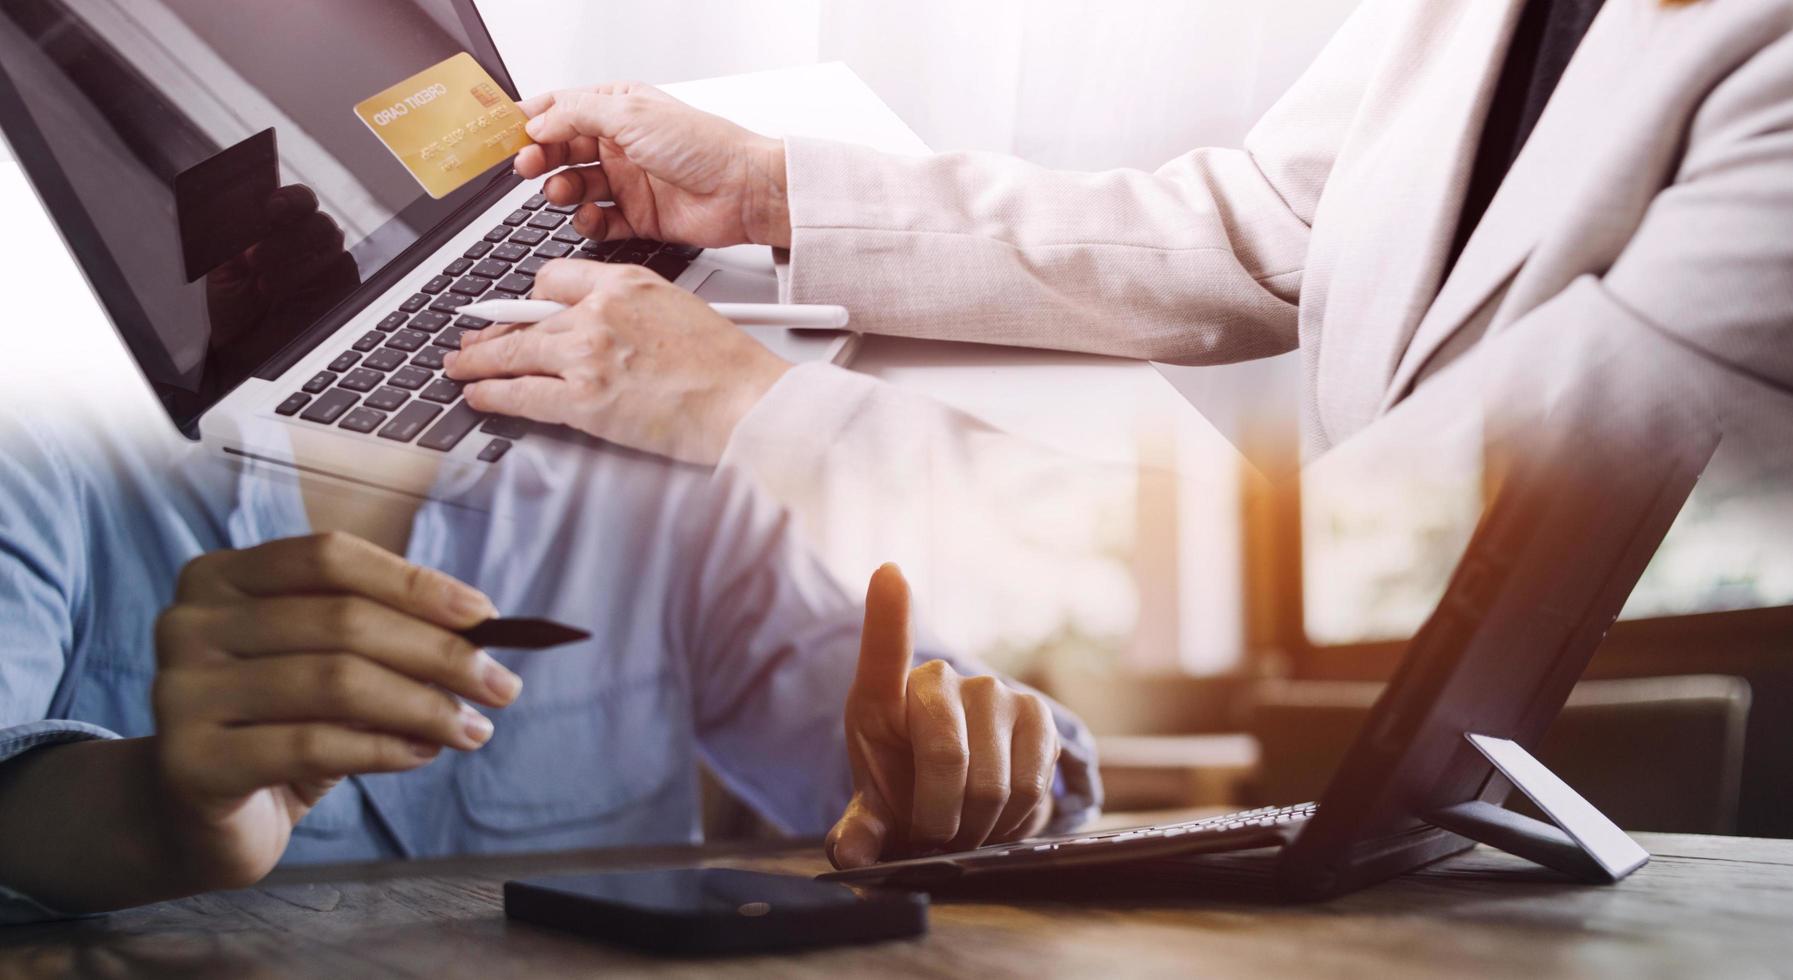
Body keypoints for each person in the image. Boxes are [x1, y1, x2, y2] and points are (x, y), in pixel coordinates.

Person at [439, 0, 1792, 469]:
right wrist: (781, 193)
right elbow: (1279, 217)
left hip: (1591, 805)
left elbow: (1399, 590)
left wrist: (747, 412)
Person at [0, 400, 1098, 921]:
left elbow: (893, 741)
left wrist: (962, 762)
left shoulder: (656, 480)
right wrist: (160, 809)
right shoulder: (43, 434)